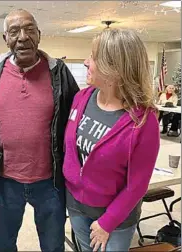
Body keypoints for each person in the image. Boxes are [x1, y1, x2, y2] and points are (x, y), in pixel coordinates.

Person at [0, 9, 79, 252]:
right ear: (5, 39)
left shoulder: (58, 71)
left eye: (30, 29)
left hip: (50, 182)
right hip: (6, 181)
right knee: (3, 243)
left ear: (39, 35)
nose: (23, 37)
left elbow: (76, 114)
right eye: (14, 31)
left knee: (53, 246)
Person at [63, 28, 160, 251]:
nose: (87, 62)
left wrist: (107, 223)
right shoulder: (82, 98)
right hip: (77, 206)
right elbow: (71, 152)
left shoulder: (143, 120)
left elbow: (138, 185)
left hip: (114, 219)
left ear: (114, 67)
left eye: (93, 57)